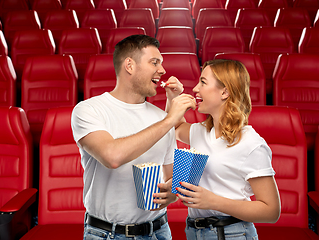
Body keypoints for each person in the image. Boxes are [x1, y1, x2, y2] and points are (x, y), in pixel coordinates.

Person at [71, 34, 192, 240]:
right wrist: (169, 120)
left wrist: (173, 192)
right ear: (129, 65)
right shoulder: (89, 110)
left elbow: (170, 173)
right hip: (108, 233)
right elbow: (112, 157)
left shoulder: (162, 118)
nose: (162, 70)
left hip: (159, 231)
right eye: (154, 62)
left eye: (161, 63)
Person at [166, 59, 281, 240]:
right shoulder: (201, 131)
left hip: (231, 233)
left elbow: (271, 210)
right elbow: (173, 127)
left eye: (203, 82)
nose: (195, 89)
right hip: (194, 231)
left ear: (225, 92)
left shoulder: (251, 143)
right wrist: (173, 97)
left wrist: (213, 201)